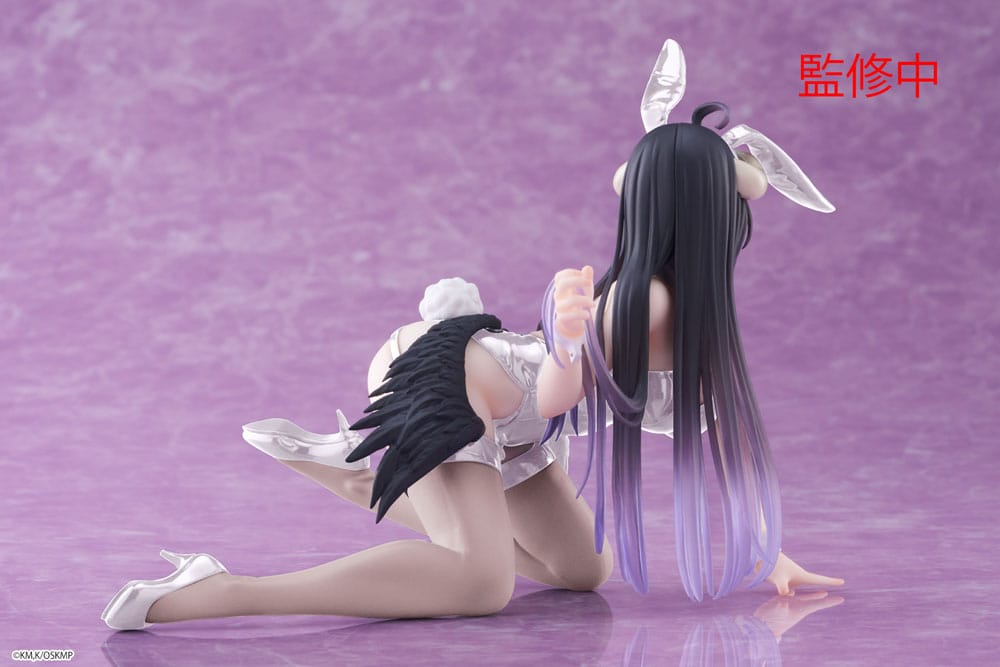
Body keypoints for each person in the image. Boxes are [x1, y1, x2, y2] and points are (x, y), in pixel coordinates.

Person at [102, 42, 845, 631]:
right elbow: (556, 395)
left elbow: (723, 441)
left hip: (518, 429)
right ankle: (217, 589)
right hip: (455, 385)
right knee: (479, 583)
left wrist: (771, 553)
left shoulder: (694, 313)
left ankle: (356, 468)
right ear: (712, 216)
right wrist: (568, 342)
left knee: (583, 569)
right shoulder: (639, 301)